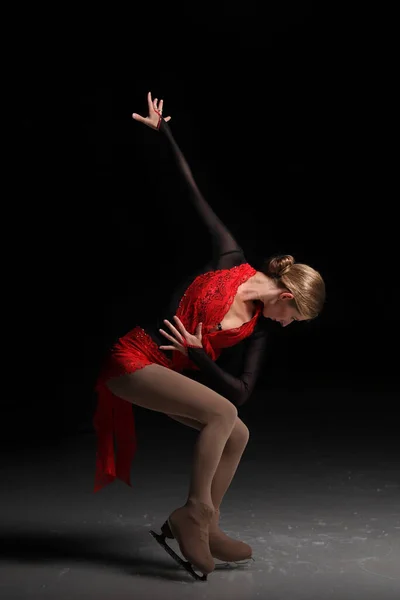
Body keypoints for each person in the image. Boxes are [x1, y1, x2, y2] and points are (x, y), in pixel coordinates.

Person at [93, 92, 326, 580]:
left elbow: (241, 390)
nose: (286, 327)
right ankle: (192, 515)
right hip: (133, 359)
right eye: (293, 319)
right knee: (223, 414)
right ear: (286, 295)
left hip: (167, 370)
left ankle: (208, 522)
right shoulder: (228, 257)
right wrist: (165, 134)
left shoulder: (258, 330)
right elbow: (189, 190)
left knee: (236, 427)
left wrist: (200, 356)